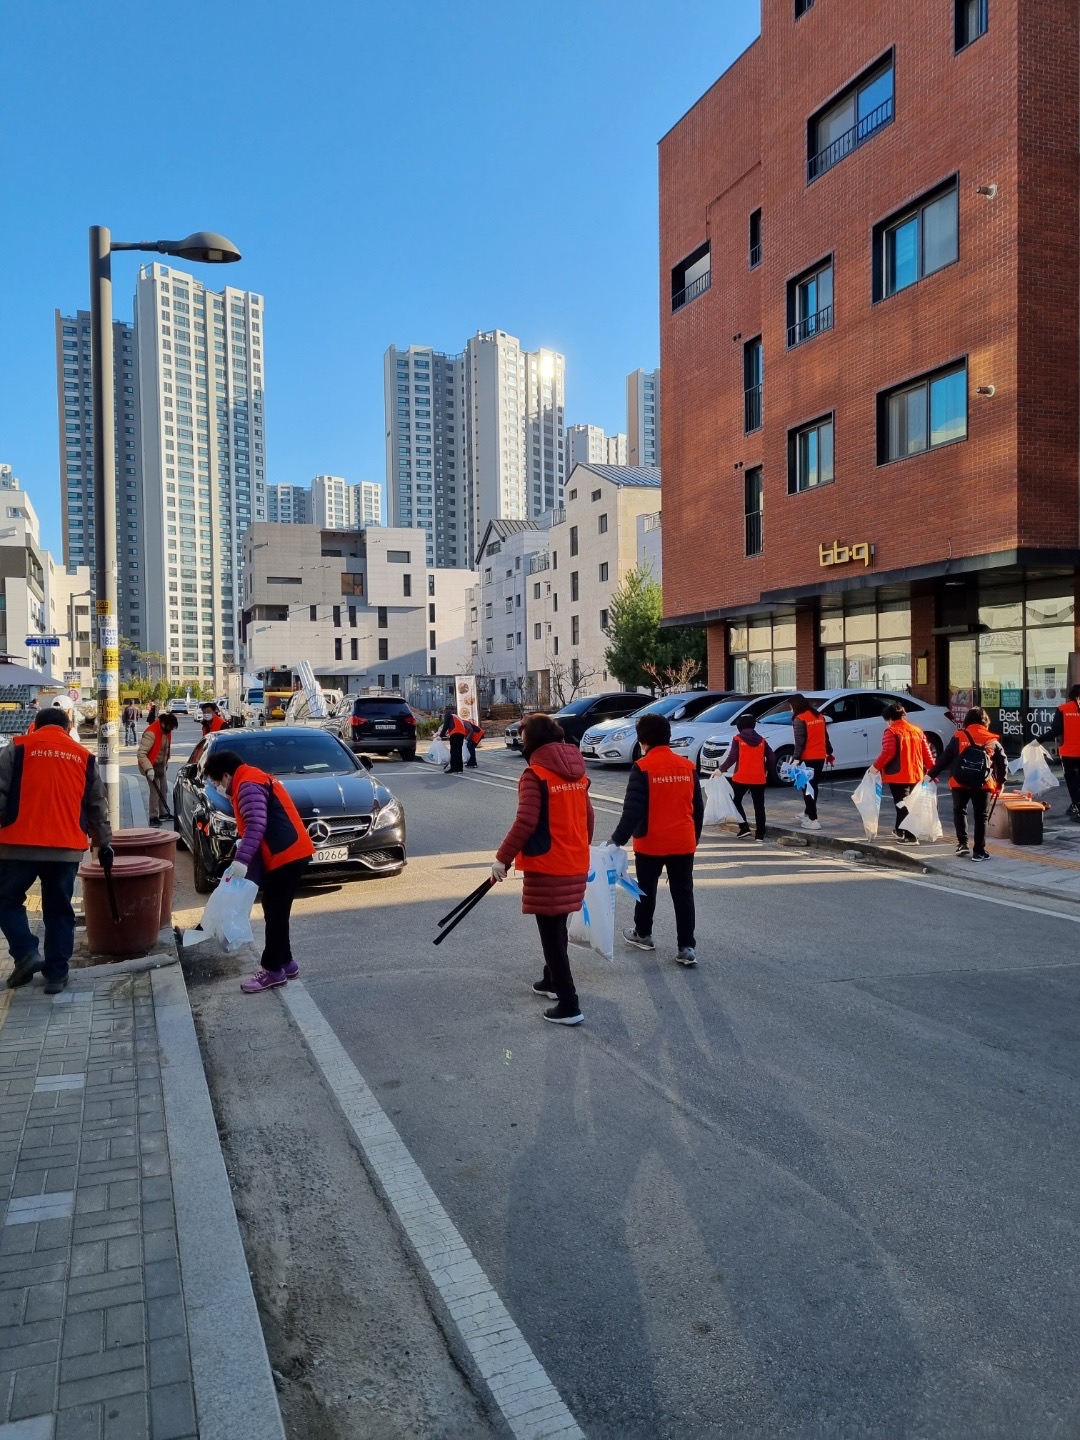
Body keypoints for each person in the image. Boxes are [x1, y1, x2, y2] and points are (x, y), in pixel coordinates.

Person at [1, 705, 113, 994]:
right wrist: (103, 843)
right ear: (67, 727)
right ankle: (56, 976)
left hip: (18, 845)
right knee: (59, 909)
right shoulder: (83, 757)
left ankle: (26, 953)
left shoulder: (17, 748)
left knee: (6, 900)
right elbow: (97, 806)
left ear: (35, 725)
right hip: (66, 848)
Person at [491, 713, 593, 1025]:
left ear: (532, 740)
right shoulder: (578, 773)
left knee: (551, 934)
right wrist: (577, 847)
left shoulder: (535, 775)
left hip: (549, 865)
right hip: (575, 861)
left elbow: (525, 821)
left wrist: (502, 860)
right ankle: (551, 981)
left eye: (523, 737)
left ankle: (569, 1004)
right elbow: (589, 818)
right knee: (557, 926)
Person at [202, 749, 315, 994]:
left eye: (217, 782)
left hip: (286, 854)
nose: (219, 787)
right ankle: (286, 962)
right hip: (291, 852)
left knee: (274, 913)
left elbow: (256, 823)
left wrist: (242, 862)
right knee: (276, 910)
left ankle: (272, 970)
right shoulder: (252, 777)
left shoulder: (248, 784)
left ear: (225, 774)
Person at [611, 712, 704, 967]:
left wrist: (616, 841)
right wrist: (693, 838)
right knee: (683, 894)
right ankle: (686, 946)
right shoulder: (687, 766)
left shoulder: (642, 767)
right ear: (668, 736)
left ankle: (643, 934)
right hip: (683, 841)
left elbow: (632, 811)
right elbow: (698, 807)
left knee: (646, 890)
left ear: (642, 740)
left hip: (651, 842)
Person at [927, 706, 1008, 861]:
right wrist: (1001, 782)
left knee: (960, 811)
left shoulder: (959, 736)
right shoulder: (992, 740)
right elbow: (1003, 762)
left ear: (967, 721)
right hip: (983, 784)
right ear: (985, 722)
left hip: (959, 782)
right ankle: (979, 851)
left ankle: (962, 844)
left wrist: (930, 775)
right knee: (981, 816)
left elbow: (944, 759)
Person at [872, 701, 935, 843]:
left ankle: (911, 836)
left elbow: (887, 753)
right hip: (916, 774)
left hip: (898, 776)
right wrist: (932, 771)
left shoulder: (892, 731)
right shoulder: (917, 730)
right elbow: (927, 753)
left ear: (889, 719)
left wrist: (874, 767)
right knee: (908, 804)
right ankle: (900, 830)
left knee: (902, 805)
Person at [718, 712, 774, 842]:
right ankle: (760, 835)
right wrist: (765, 769)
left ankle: (744, 827)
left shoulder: (737, 739)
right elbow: (771, 757)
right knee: (759, 806)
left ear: (740, 726)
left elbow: (732, 757)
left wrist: (721, 769)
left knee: (735, 801)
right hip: (759, 777)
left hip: (741, 777)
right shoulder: (762, 740)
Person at [788, 694, 833, 831]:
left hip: (806, 758)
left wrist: (796, 759)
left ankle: (813, 819)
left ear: (795, 706)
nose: (790, 710)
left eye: (791, 707)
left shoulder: (799, 718)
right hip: (819, 756)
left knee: (807, 789)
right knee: (812, 787)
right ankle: (808, 812)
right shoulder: (819, 716)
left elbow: (799, 742)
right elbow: (825, 736)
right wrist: (829, 751)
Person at [137, 710, 178, 827]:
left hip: (160, 765)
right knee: (155, 791)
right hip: (150, 765)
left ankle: (163, 813)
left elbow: (165, 749)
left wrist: (166, 763)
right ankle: (153, 816)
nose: (171, 730)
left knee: (163, 789)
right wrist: (148, 769)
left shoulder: (166, 731)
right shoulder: (151, 733)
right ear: (164, 724)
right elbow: (141, 753)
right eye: (170, 727)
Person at [1046, 684, 1080, 821]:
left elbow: (1055, 731)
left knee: (1072, 781)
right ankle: (1076, 806)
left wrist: (1039, 740)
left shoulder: (1063, 709)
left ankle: (1077, 806)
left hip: (1069, 753)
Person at [438, 705, 467, 774]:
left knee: (453, 752)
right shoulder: (456, 716)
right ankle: (459, 768)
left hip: (455, 733)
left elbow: (446, 725)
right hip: (461, 733)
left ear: (446, 710)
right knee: (458, 752)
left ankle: (453, 768)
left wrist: (440, 736)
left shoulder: (448, 715)